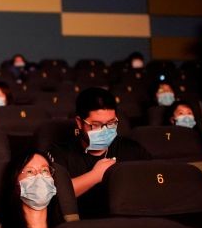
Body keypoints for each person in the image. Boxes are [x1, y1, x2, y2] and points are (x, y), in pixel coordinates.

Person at [49, 86, 150, 218]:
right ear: (79, 123)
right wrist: (95, 175)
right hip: (82, 227)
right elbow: (52, 195)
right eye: (96, 125)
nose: (105, 130)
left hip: (128, 223)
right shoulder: (60, 152)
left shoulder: (132, 149)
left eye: (111, 123)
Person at [166, 100, 202, 172]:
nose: (186, 116)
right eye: (181, 113)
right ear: (172, 119)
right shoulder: (171, 140)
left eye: (189, 113)